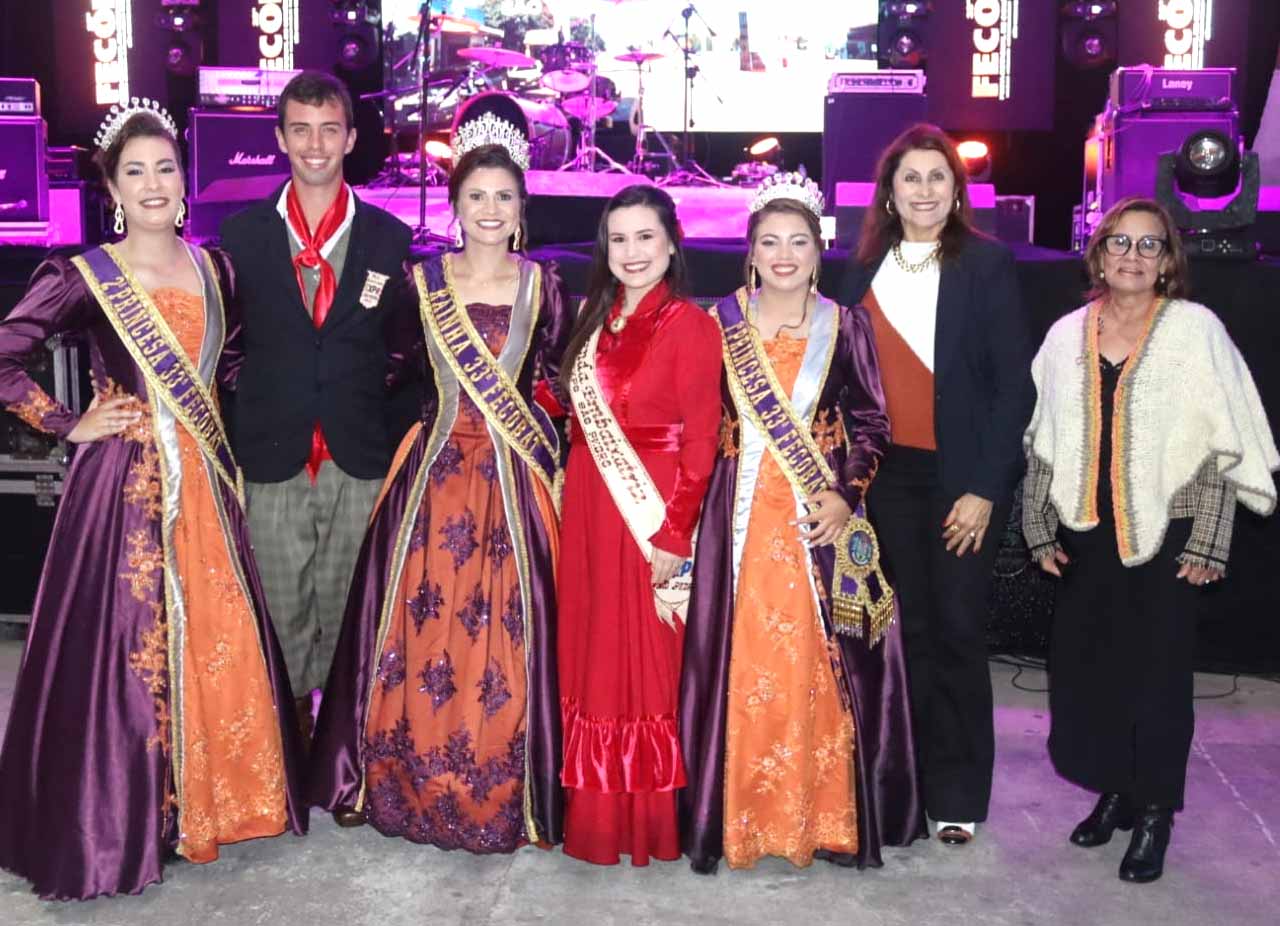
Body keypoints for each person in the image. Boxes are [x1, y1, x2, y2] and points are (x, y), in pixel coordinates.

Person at [0, 103, 307, 900]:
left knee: (216, 632)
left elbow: (227, 370)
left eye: (165, 168)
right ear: (110, 188)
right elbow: (5, 354)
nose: (152, 184)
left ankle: (216, 802)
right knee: (125, 649)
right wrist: (67, 422)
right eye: (134, 172)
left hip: (203, 481)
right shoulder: (82, 274)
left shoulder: (216, 270)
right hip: (123, 487)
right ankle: (126, 816)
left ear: (183, 179)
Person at [309, 116, 572, 850]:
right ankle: (392, 776)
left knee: (510, 632)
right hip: (434, 478)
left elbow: (561, 381)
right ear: (454, 204)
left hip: (513, 483)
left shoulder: (545, 287)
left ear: (522, 208)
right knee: (416, 627)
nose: (490, 209)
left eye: (504, 197)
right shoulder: (419, 284)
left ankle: (510, 787)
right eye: (476, 195)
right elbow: (387, 371)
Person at [1022, 197, 1278, 883]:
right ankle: (1118, 790)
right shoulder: (1066, 335)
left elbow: (1222, 441)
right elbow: (1044, 438)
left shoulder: (1196, 330)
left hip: (1174, 529)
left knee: (1159, 679)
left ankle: (1157, 810)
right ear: (1098, 253)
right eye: (1119, 242)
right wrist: (1037, 523)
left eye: (1148, 245)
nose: (1132, 256)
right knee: (1093, 670)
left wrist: (1211, 538)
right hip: (1088, 530)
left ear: (1167, 260)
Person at [678, 173, 925, 872]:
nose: (783, 255)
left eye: (798, 242)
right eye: (769, 242)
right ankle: (740, 816)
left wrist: (846, 493)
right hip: (737, 511)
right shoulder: (716, 323)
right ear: (750, 252)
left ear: (819, 251)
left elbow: (873, 423)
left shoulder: (847, 325)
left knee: (822, 660)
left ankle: (822, 815)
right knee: (741, 654)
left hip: (819, 513)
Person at [837, 123, 1035, 846]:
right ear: (888, 192)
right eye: (910, 177)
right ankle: (904, 785)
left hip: (960, 480)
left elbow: (1014, 388)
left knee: (956, 630)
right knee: (904, 632)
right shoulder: (858, 270)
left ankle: (956, 794)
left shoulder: (986, 263)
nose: (924, 189)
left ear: (957, 190)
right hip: (887, 479)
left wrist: (984, 489)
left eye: (937, 176)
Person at [218, 71, 414, 743]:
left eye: (329, 129)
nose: (315, 145)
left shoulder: (390, 239)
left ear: (351, 138)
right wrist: (258, 397)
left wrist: (368, 403)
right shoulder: (240, 236)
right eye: (300, 130)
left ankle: (345, 754)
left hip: (357, 456)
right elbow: (225, 343)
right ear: (280, 138)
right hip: (272, 450)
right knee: (280, 612)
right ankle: (291, 747)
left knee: (353, 611)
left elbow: (404, 349)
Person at [556, 185, 722, 866]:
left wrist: (674, 534)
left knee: (644, 663)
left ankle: (643, 820)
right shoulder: (593, 318)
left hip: (649, 509)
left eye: (645, 237)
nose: (631, 252)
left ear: (672, 244)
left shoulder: (689, 324)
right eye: (619, 239)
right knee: (593, 653)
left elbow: (702, 441)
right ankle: (593, 810)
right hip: (589, 508)